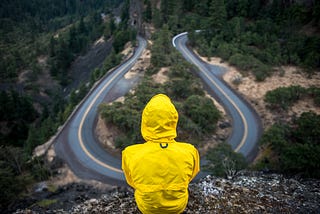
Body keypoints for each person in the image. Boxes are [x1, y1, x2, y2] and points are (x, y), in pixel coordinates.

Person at [122, 94, 200, 214]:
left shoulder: (130, 153)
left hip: (147, 208)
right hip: (177, 207)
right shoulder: (190, 151)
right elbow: (190, 177)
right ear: (173, 121)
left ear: (145, 122)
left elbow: (132, 181)